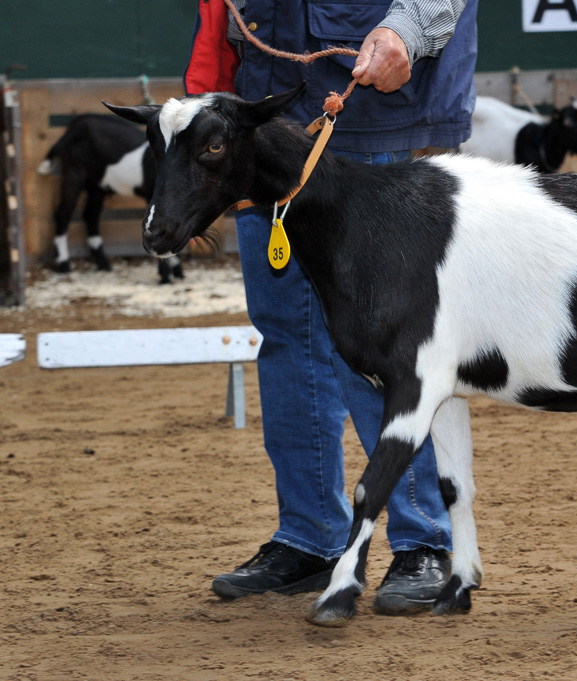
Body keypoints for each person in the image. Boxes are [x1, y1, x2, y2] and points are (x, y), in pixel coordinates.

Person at [183, 0, 478, 614]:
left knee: (386, 344)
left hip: (375, 108)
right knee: (287, 335)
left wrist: (410, 25)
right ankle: (309, 538)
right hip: (261, 121)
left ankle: (422, 540)